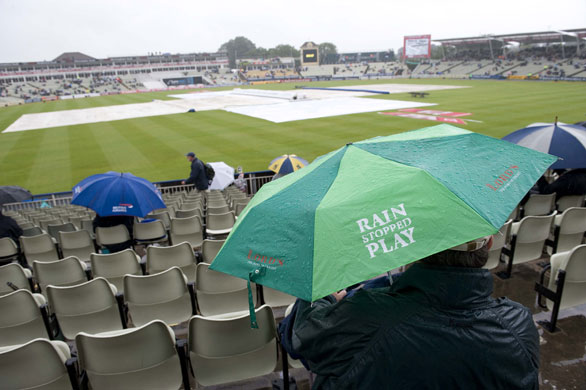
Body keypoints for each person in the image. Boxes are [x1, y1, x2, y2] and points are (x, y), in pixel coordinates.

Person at [283, 237, 539, 389]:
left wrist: (325, 296)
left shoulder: (366, 315)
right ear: (490, 243)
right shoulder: (519, 324)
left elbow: (300, 338)